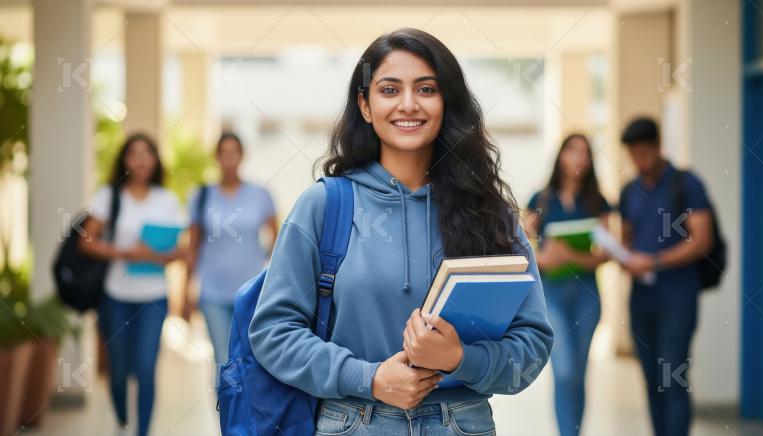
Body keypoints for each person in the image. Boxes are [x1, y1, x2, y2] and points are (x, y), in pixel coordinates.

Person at [248, 28, 554, 434]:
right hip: (354, 421)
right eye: (389, 90)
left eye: (426, 89)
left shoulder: (490, 213)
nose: (408, 104)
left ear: (447, 101)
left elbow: (531, 346)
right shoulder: (325, 206)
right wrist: (368, 378)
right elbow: (273, 332)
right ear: (365, 105)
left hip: (462, 423)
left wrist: (461, 357)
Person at [79, 133, 185, 436]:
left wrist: (155, 253)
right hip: (115, 296)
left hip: (154, 297)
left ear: (156, 160)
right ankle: (122, 415)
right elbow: (86, 241)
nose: (141, 159)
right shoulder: (109, 196)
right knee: (118, 368)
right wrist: (125, 252)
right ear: (124, 160)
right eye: (134, 153)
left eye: (148, 153)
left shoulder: (167, 200)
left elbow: (180, 252)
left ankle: (142, 432)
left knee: (146, 366)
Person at [618, 117, 714, 436]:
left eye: (643, 152)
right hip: (641, 301)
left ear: (658, 146)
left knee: (672, 377)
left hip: (678, 298)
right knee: (650, 379)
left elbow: (701, 239)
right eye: (633, 154)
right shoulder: (629, 191)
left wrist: (655, 261)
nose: (638, 160)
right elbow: (627, 241)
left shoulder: (686, 184)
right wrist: (626, 259)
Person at [524, 133, 610, 436]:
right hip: (552, 295)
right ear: (560, 155)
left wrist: (571, 255)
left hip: (587, 294)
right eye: (572, 150)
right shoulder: (541, 200)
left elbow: (606, 254)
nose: (578, 157)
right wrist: (545, 258)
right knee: (564, 371)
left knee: (579, 374)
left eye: (584, 152)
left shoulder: (598, 203)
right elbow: (521, 248)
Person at [182, 132, 278, 371]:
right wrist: (186, 290)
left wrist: (264, 262)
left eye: (234, 153)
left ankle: (245, 409)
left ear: (242, 156)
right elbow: (192, 246)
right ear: (216, 157)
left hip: (251, 295)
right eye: (224, 154)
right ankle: (224, 409)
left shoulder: (260, 194)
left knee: (250, 361)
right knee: (224, 361)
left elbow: (278, 241)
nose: (229, 159)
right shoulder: (202, 196)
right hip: (212, 293)